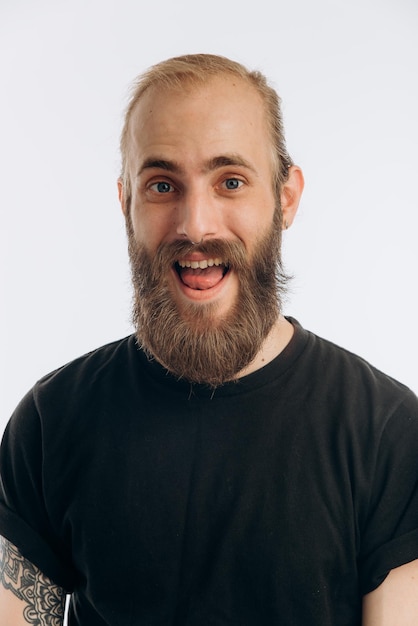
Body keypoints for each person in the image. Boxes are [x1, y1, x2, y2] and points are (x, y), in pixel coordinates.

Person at [0, 53, 417, 626]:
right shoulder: (51, 421)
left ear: (286, 197)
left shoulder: (390, 433)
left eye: (231, 182)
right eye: (163, 184)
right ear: (125, 202)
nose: (196, 225)